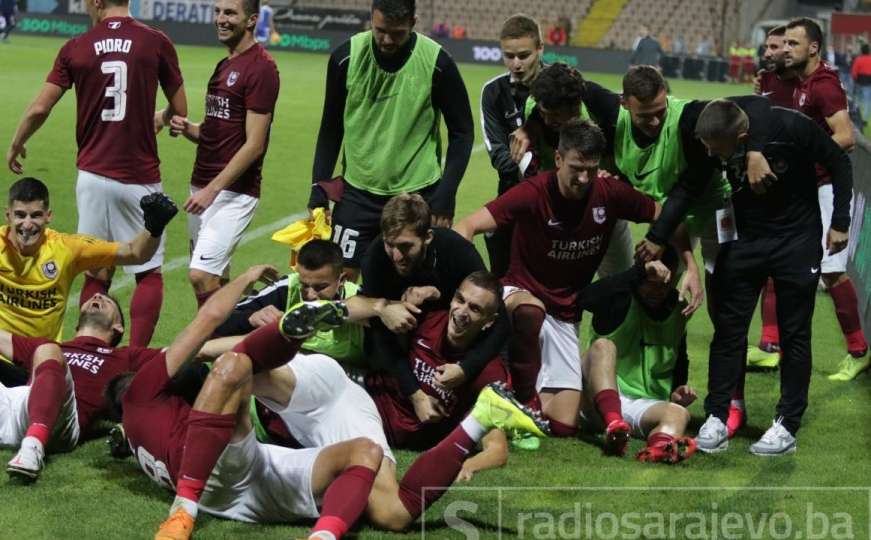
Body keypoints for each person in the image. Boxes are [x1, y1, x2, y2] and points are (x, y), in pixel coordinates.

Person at [107, 266, 381, 540]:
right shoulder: (139, 392)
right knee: (232, 365)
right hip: (215, 467)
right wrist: (246, 277)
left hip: (231, 487)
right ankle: (287, 334)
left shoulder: (135, 431)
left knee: (366, 451)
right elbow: (209, 318)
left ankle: (322, 537)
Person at [454, 119, 661, 454]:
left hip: (565, 313)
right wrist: (475, 287)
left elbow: (664, 216)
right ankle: (523, 403)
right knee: (529, 310)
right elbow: (467, 225)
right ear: (559, 160)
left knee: (563, 424)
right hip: (518, 295)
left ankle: (527, 390)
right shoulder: (533, 192)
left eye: (592, 170)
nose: (584, 179)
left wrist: (664, 247)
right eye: (577, 169)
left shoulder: (608, 194)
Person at [6, 0, 187, 347]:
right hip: (139, 175)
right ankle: (134, 359)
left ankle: (88, 351)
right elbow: (179, 110)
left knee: (96, 268)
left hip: (91, 175)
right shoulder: (156, 41)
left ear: (98, 2)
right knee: (148, 271)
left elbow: (41, 107)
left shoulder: (76, 47)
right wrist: (161, 120)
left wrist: (17, 141)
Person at [693, 99, 852, 456]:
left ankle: (787, 425)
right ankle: (717, 414)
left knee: (794, 333)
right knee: (729, 330)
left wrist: (840, 221)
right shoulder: (724, 128)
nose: (710, 153)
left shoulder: (793, 128)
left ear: (743, 136)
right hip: (745, 241)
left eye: (717, 148)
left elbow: (839, 162)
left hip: (795, 241)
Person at [308, 0, 474, 280]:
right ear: (371, 20)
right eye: (380, 30)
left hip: (417, 197)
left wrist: (445, 197)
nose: (386, 40)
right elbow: (330, 128)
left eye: (397, 33)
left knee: (415, 281)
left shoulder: (437, 63)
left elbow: (463, 132)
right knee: (340, 281)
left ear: (413, 23)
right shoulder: (345, 58)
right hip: (357, 193)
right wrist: (318, 186)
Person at [747, 18, 868, 382]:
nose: (784, 50)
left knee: (832, 272)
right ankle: (770, 345)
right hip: (801, 188)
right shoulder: (792, 80)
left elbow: (845, 137)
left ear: (812, 48)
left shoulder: (824, 86)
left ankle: (859, 351)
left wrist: (801, 159)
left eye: (792, 45)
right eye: (781, 45)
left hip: (826, 188)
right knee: (776, 258)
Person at [162, 0, 280, 309]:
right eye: (217, 12)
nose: (220, 19)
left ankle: (225, 333)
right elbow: (215, 132)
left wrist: (213, 191)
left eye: (229, 13)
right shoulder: (225, 65)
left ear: (252, 20)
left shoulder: (261, 69)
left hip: (233, 192)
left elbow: (254, 144)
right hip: (201, 187)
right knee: (215, 279)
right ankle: (225, 347)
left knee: (200, 276)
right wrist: (189, 128)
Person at [360, 194, 511, 425]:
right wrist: (416, 396)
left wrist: (466, 369)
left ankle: (515, 400)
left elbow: (498, 319)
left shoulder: (456, 251)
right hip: (408, 339)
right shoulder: (376, 258)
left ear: (428, 237)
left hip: (458, 338)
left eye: (405, 246)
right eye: (390, 245)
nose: (397, 256)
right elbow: (380, 335)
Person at [1, 292, 165, 480]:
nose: (97, 296)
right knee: (47, 349)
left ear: (118, 326)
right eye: (96, 297)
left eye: (108, 301)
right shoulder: (54, 346)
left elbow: (181, 354)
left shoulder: (124, 356)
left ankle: (32, 449)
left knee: (48, 350)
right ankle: (30, 439)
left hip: (63, 424)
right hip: (19, 407)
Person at [0, 177, 178, 344]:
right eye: (20, 215)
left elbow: (135, 254)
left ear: (48, 216)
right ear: (8, 216)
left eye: (36, 215)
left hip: (40, 360)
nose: (28, 224)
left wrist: (154, 227)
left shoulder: (67, 248)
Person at [583, 247, 697, 464]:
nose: (657, 290)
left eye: (664, 284)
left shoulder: (678, 307)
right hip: (596, 394)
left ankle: (658, 450)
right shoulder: (619, 298)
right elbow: (585, 298)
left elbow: (678, 355)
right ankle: (613, 423)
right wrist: (637, 272)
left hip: (641, 404)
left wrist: (676, 392)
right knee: (603, 347)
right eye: (651, 281)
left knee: (679, 414)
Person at [480, 14, 545, 276]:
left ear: (540, 49)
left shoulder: (560, 83)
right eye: (509, 56)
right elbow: (498, 155)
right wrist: (532, 163)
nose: (515, 64)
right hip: (512, 194)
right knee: (502, 277)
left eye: (524, 55)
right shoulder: (494, 92)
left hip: (557, 197)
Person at [755, 26, 799, 108]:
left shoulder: (809, 86)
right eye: (766, 47)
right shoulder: (764, 79)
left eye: (774, 47)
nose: (766, 54)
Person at [851, 43, 871, 124]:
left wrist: (855, 80)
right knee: (867, 101)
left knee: (857, 100)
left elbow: (854, 72)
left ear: (861, 51)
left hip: (859, 82)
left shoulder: (858, 59)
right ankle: (865, 119)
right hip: (869, 83)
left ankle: (857, 116)